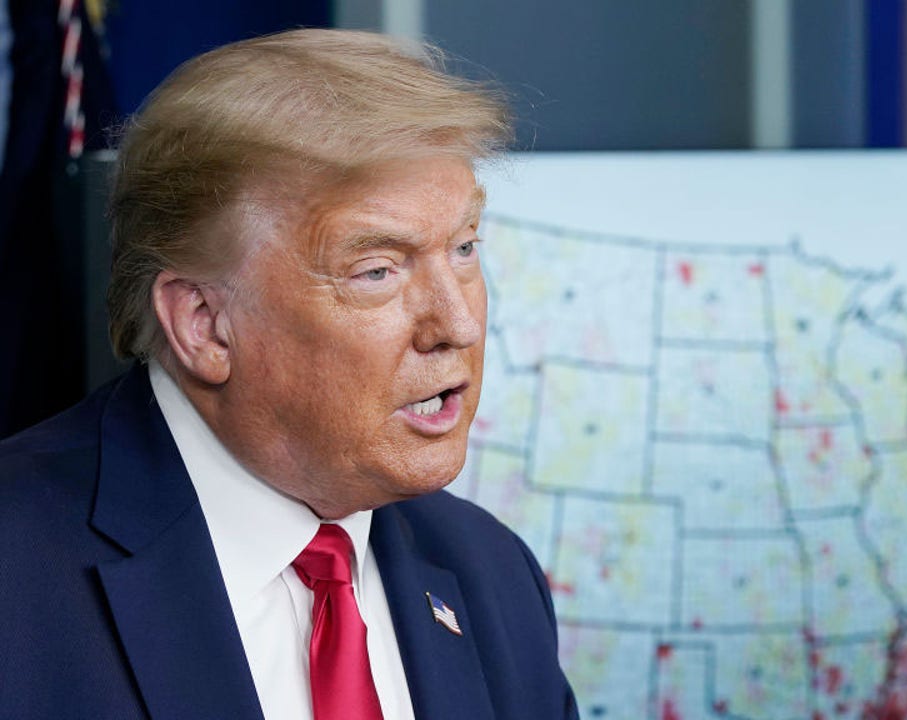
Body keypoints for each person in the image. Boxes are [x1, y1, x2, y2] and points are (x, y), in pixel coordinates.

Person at [0, 29, 578, 720]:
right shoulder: (16, 573)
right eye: (377, 271)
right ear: (205, 324)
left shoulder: (494, 575)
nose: (458, 325)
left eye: (464, 248)